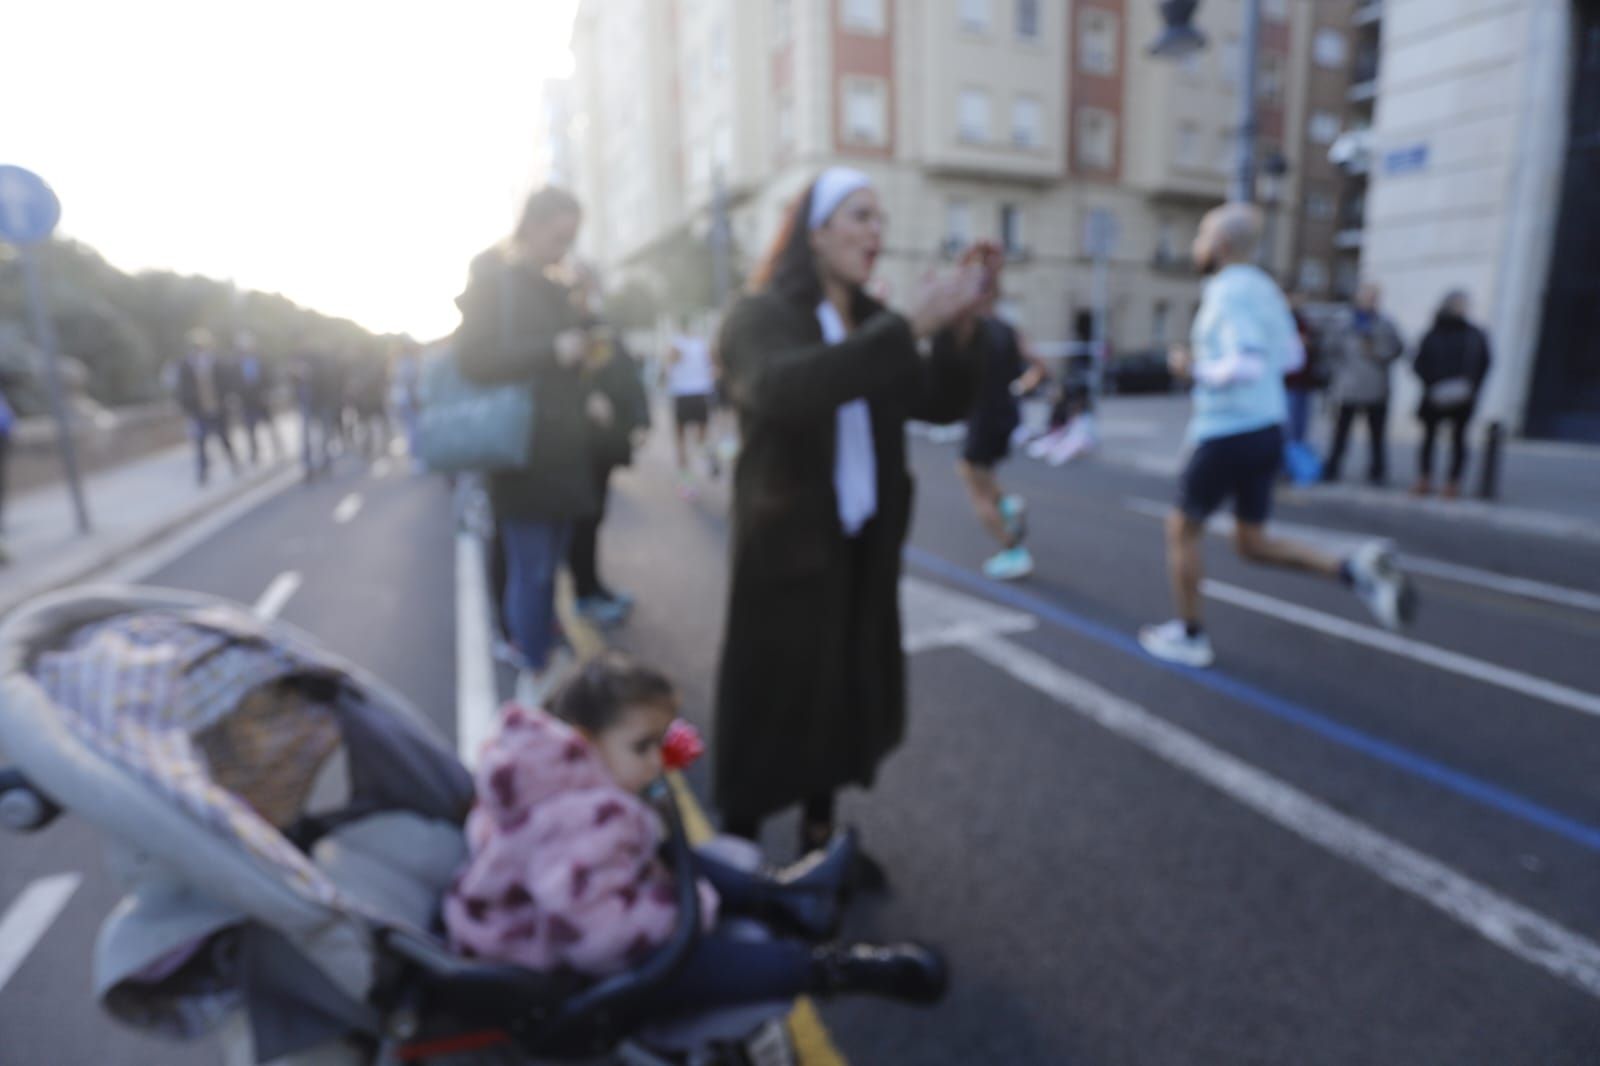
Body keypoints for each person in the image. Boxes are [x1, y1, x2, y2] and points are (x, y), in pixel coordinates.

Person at [712, 166, 985, 866]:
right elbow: (782, 389)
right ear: (817, 231)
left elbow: (939, 403)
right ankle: (737, 843)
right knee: (771, 693)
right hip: (788, 543)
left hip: (859, 539)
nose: (875, 232)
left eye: (879, 218)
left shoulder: (868, 320)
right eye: (860, 216)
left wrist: (958, 332)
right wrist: (904, 328)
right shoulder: (760, 315)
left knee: (840, 690)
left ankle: (817, 837)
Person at [444, 653, 946, 1014]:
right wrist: (692, 906)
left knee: (663, 848)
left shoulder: (542, 778)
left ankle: (786, 894)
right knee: (688, 962)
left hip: (564, 909)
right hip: (546, 953)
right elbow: (602, 943)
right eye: (642, 748)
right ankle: (833, 967)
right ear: (582, 740)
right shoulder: (573, 824)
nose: (657, 763)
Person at [1139, 204, 1416, 669]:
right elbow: (1290, 357)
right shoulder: (1266, 289)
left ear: (1222, 246)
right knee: (1251, 542)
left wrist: (1195, 368)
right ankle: (1352, 570)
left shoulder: (1226, 292)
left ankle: (1190, 635)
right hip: (1267, 428)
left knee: (1181, 529)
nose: (1195, 246)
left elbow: (1245, 362)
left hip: (1227, 429)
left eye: (1201, 236)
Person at [456, 186, 601, 706]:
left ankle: (539, 654)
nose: (565, 247)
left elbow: (572, 352)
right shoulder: (496, 277)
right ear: (534, 226)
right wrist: (552, 348)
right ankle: (533, 671)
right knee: (532, 569)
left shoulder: (551, 282)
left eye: (572, 238)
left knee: (547, 568)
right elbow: (473, 358)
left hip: (559, 451)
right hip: (524, 453)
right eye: (560, 235)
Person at [955, 241, 1050, 581]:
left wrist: (968, 261)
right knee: (985, 473)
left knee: (973, 482)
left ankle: (1012, 548)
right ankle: (1007, 505)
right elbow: (1041, 367)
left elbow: (958, 291)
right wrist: (1020, 387)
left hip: (983, 415)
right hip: (1007, 413)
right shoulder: (1009, 329)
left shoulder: (973, 327)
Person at [568, 272, 651, 629]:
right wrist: (586, 397)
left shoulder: (600, 325)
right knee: (584, 520)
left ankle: (594, 587)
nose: (590, 292)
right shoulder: (568, 328)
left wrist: (640, 418)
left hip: (608, 441)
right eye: (583, 286)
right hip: (582, 443)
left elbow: (627, 373)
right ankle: (585, 594)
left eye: (592, 285)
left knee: (595, 516)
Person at [1412, 290, 1492, 499]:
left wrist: (1471, 387)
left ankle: (1452, 483)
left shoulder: (1474, 334)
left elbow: (1484, 363)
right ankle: (1425, 478)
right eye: (1458, 304)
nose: (1462, 308)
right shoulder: (1434, 333)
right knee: (1428, 439)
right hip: (1433, 395)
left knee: (1459, 440)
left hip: (1463, 397)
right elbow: (1419, 362)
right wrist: (1431, 384)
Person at [1323, 282, 1404, 486]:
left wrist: (1377, 351)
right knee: (1341, 433)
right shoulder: (1343, 322)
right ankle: (1332, 468)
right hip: (1348, 385)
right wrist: (1337, 374)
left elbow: (1396, 349)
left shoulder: (1386, 324)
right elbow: (1329, 350)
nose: (1370, 301)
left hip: (1376, 387)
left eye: (1373, 297)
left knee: (1377, 435)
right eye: (1367, 297)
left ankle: (1377, 472)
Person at [175, 328, 240, 487]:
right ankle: (203, 472)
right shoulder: (186, 365)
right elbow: (182, 389)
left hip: (218, 407)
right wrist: (188, 406)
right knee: (200, 442)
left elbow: (227, 382)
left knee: (224, 438)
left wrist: (228, 398)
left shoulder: (216, 362)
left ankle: (234, 463)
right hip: (199, 410)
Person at [662, 322, 718, 499]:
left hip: (683, 395)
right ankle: (708, 456)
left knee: (681, 442)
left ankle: (687, 484)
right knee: (701, 438)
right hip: (701, 393)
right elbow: (714, 365)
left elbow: (667, 366)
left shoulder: (677, 343)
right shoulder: (701, 344)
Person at [231, 332, 282, 464]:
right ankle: (254, 453)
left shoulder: (261, 359)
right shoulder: (236, 363)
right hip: (247, 401)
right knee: (250, 429)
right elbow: (234, 383)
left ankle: (278, 447)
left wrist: (269, 393)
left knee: (270, 425)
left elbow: (269, 377)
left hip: (262, 398)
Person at [1283, 290, 1323, 453]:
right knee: (1288, 426)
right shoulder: (1282, 320)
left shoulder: (1304, 320)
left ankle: (1295, 460)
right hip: (1288, 382)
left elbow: (1316, 346)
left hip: (1304, 381)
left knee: (1300, 425)